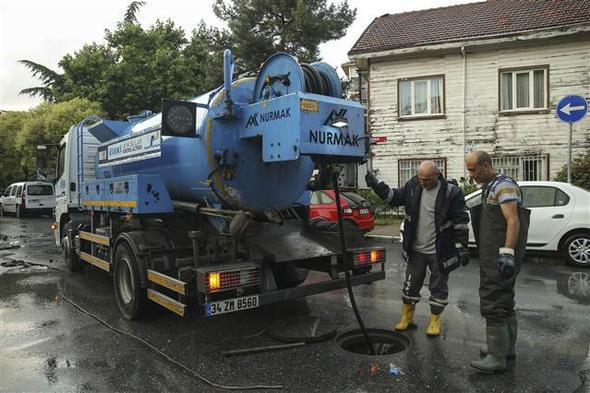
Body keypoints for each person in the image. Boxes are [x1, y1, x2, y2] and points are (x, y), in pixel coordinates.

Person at [366, 161, 470, 336]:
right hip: (416, 250)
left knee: (438, 288)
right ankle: (407, 318)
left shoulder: (451, 193)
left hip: (440, 251)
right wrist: (377, 186)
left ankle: (434, 321)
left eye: (427, 180)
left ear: (437, 175)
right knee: (410, 285)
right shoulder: (413, 185)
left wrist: (462, 247)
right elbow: (394, 198)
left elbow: (461, 221)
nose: (423, 183)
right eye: (420, 178)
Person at [465, 150, 530, 373]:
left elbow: (513, 221)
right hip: (492, 253)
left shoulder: (504, 186)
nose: (471, 175)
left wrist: (507, 253)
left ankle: (496, 357)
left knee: (493, 300)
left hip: (499, 256)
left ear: (486, 165)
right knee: (505, 301)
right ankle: (506, 349)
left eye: (474, 170)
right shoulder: (490, 187)